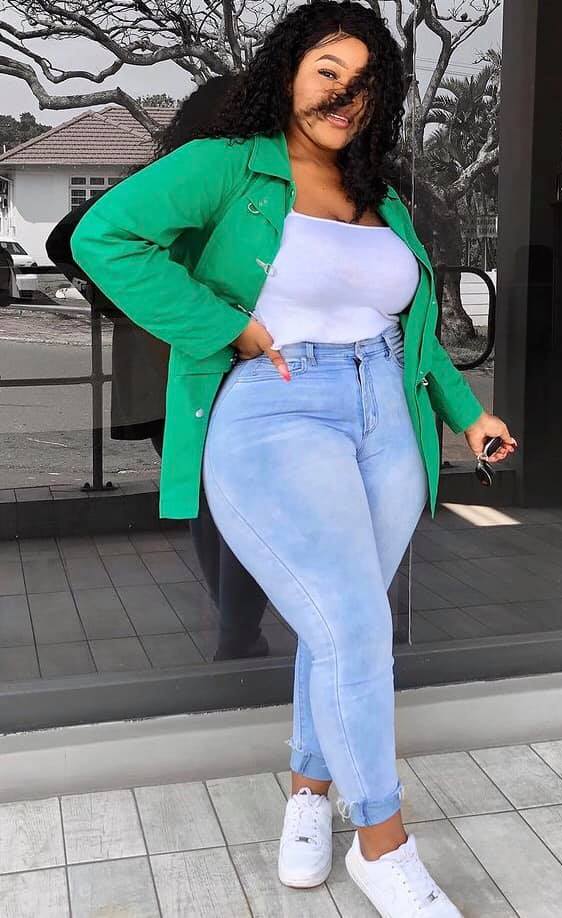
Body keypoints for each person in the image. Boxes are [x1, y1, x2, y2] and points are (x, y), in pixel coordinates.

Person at [69, 2, 517, 914]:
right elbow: (101, 239)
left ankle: (309, 794)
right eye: (327, 73)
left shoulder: (379, 195)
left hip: (385, 413)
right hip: (279, 406)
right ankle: (383, 846)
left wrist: (468, 415)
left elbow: (409, 328)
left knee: (337, 625)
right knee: (356, 626)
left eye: (364, 84)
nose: (344, 97)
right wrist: (224, 325)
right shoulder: (225, 166)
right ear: (287, 73)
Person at [46, 75, 271, 662]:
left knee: (210, 501)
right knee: (231, 503)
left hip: (170, 367)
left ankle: (237, 626)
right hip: (192, 367)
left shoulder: (189, 180)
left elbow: (67, 240)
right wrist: (125, 301)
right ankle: (238, 632)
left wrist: (126, 302)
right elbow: (72, 239)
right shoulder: (204, 181)